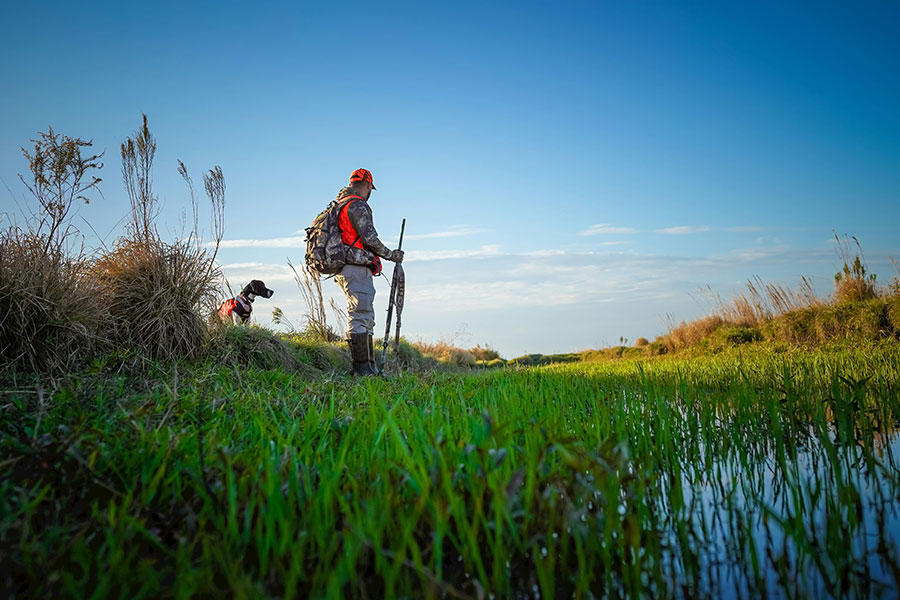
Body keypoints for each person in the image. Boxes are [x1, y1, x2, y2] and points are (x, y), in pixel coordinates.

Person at [334, 168, 404, 375]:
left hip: (346, 266)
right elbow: (370, 239)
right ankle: (362, 369)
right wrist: (392, 255)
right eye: (370, 188)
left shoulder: (339, 204)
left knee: (363, 315)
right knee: (360, 314)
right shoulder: (357, 205)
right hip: (355, 266)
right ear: (367, 186)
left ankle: (369, 367)